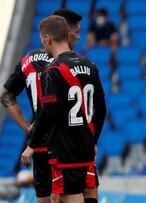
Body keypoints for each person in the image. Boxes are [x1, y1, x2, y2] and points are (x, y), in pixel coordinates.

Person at [21, 15, 106, 203]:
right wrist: (93, 141)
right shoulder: (90, 66)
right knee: (87, 195)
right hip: (86, 146)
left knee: (68, 196)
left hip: (65, 149)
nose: (43, 44)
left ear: (47, 39)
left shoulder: (52, 70)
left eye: (43, 40)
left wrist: (32, 145)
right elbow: (101, 110)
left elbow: (49, 110)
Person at [0, 9, 82, 203]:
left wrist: (28, 128)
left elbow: (5, 95)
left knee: (44, 198)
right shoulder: (66, 61)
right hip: (65, 140)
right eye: (75, 32)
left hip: (39, 140)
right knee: (73, 195)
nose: (77, 36)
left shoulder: (26, 61)